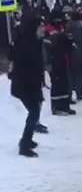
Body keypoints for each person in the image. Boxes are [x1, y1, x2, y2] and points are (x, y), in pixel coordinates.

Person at [9, 17, 46, 158]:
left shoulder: (32, 42)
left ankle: (27, 140)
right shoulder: (26, 44)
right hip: (25, 85)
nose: (42, 29)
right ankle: (24, 144)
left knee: (34, 111)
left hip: (29, 84)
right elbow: (25, 66)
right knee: (34, 112)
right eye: (40, 26)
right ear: (33, 28)